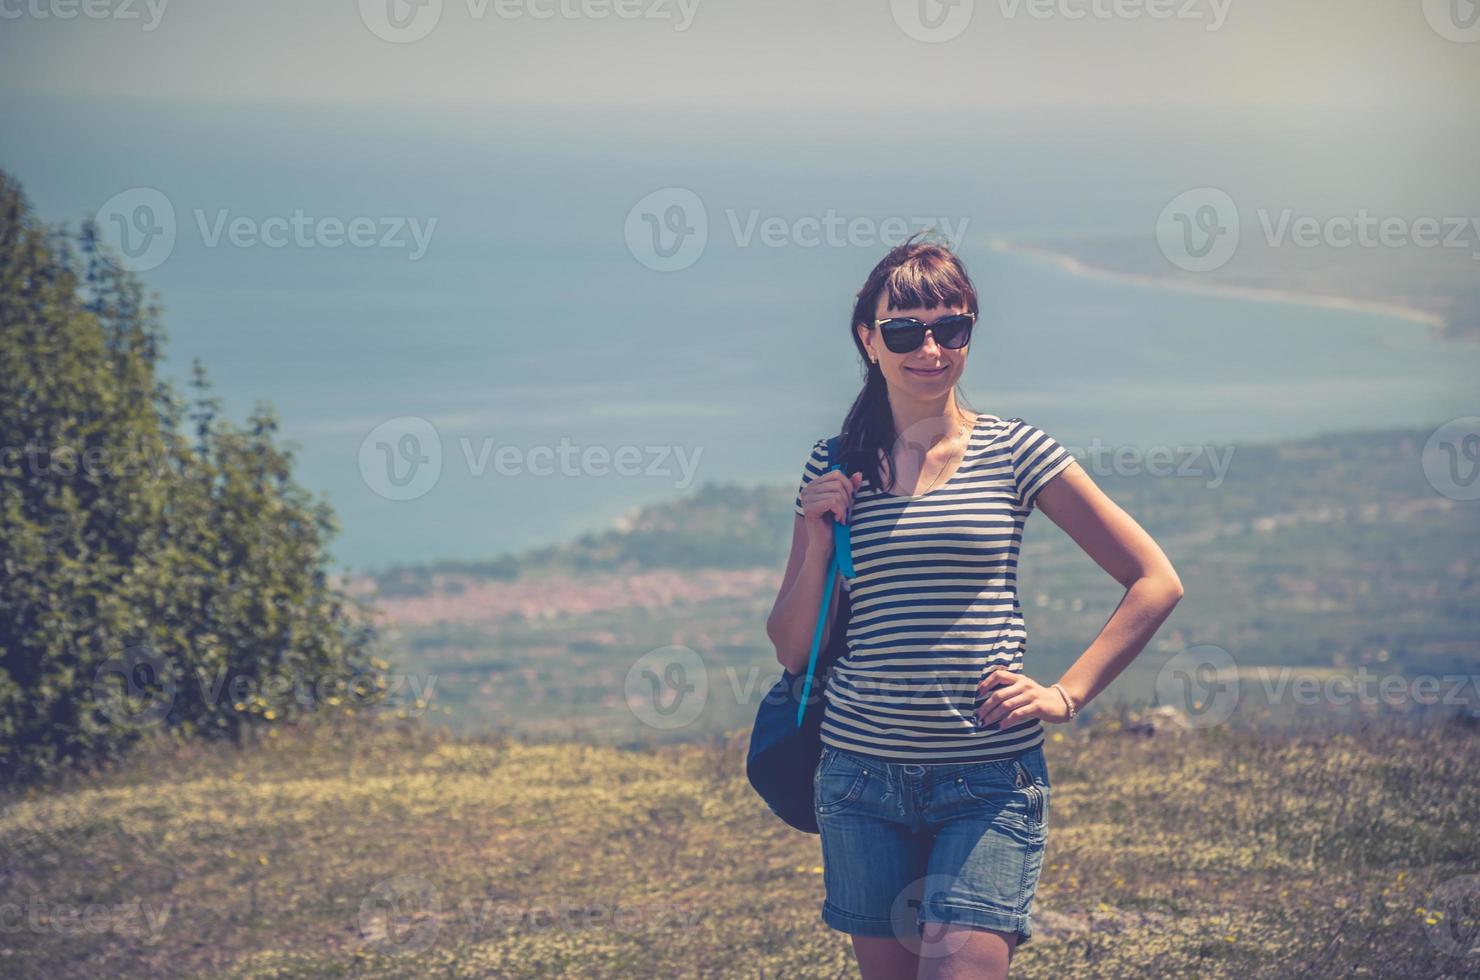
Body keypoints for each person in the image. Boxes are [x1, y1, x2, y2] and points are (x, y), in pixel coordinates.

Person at [765, 233, 1184, 979]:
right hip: (861, 779)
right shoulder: (834, 465)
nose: (929, 348)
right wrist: (819, 538)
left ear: (967, 333)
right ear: (869, 339)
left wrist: (1066, 693)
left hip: (986, 782)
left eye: (949, 328)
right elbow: (793, 648)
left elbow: (1154, 578)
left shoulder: (1018, 452)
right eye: (904, 330)